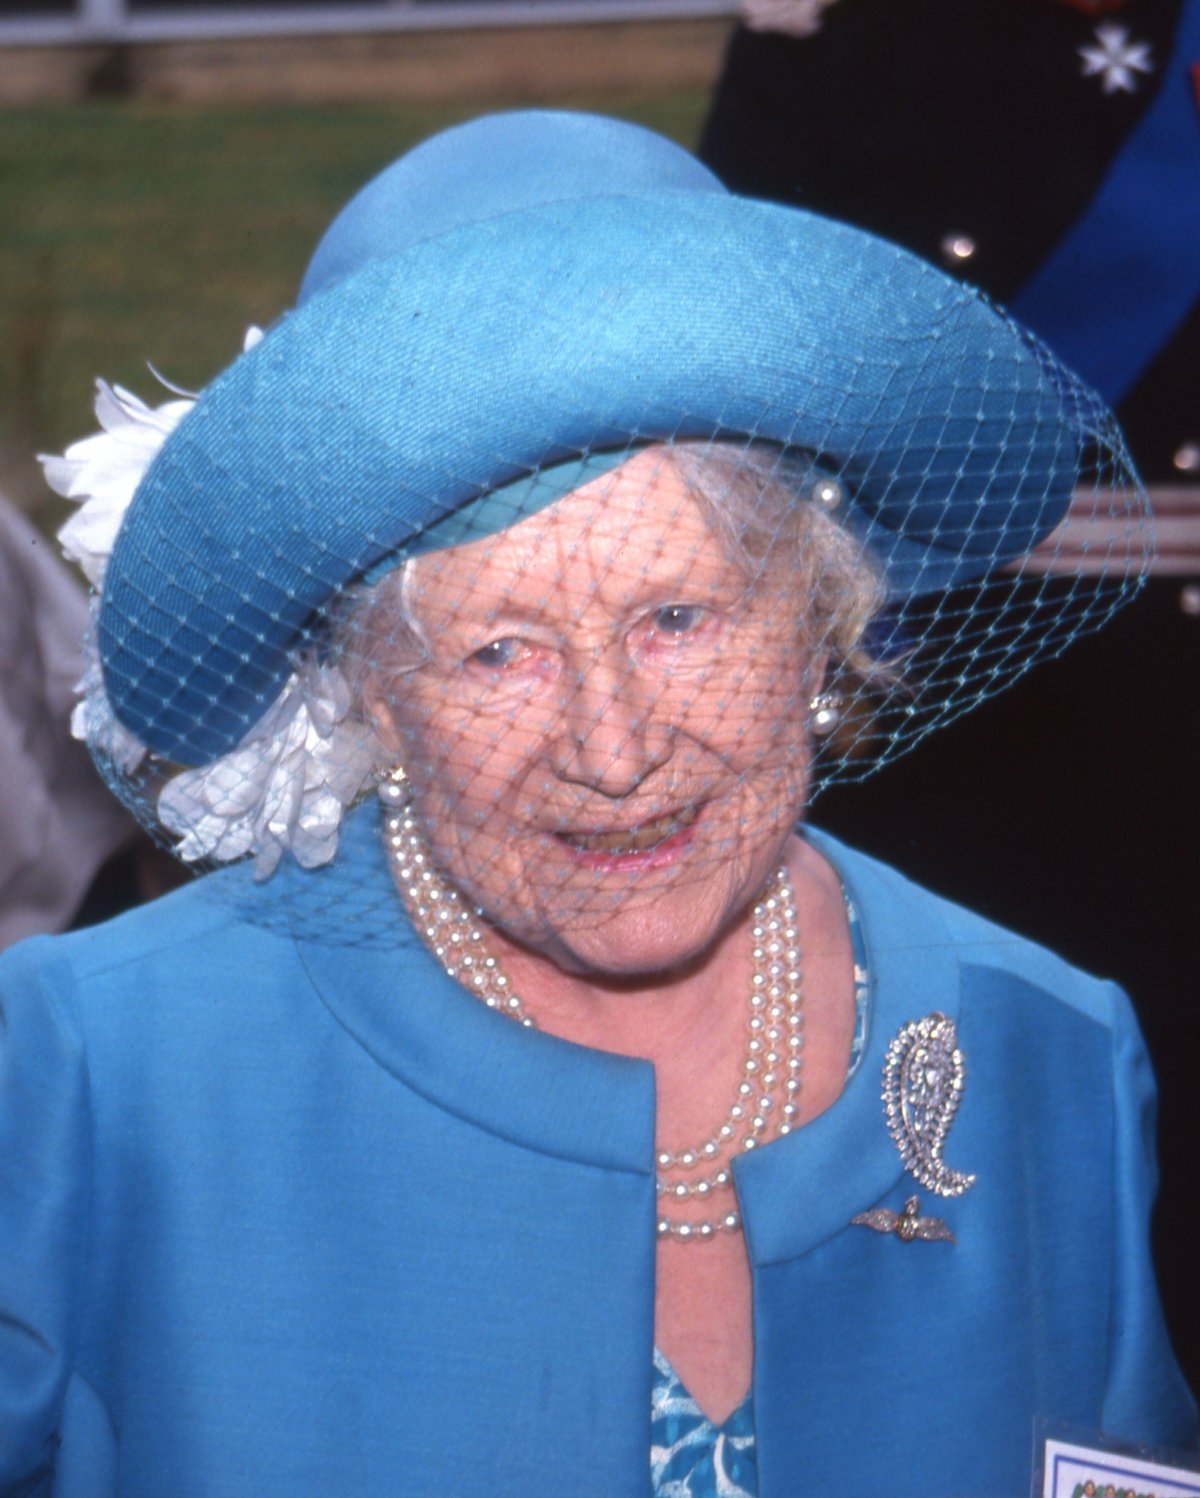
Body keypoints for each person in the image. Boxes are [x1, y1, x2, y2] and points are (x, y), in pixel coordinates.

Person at [0, 111, 1194, 1497]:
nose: (614, 748)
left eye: (678, 616)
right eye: (499, 650)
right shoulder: (94, 1071)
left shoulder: (1045, 1051)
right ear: (371, 689)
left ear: (820, 618)